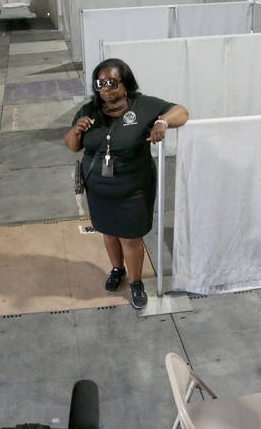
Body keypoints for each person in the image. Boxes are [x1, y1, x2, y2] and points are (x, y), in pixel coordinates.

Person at [65, 59, 188, 310]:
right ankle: (116, 270)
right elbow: (72, 145)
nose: (105, 89)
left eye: (111, 82)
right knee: (108, 232)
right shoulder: (88, 110)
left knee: (131, 238)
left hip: (134, 188)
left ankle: (135, 283)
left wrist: (162, 122)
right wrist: (77, 130)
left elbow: (182, 111)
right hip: (99, 187)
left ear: (126, 82)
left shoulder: (143, 106)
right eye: (100, 83)